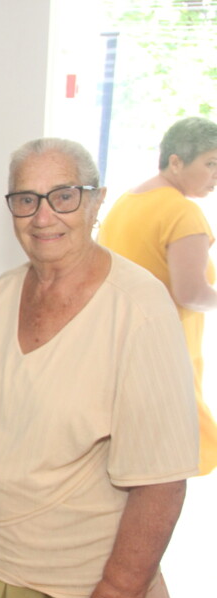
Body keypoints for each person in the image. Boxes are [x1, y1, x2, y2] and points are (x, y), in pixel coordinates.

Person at [0, 138, 197, 598]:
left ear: (96, 201)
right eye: (26, 199)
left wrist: (117, 596)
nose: (43, 215)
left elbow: (162, 483)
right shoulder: (4, 292)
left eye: (64, 196)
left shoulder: (139, 310)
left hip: (75, 589)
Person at [97, 117, 217, 476]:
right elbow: (191, 293)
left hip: (118, 346)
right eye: (210, 163)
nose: (215, 176)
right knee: (169, 462)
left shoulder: (126, 201)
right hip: (166, 354)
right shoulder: (182, 212)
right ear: (175, 161)